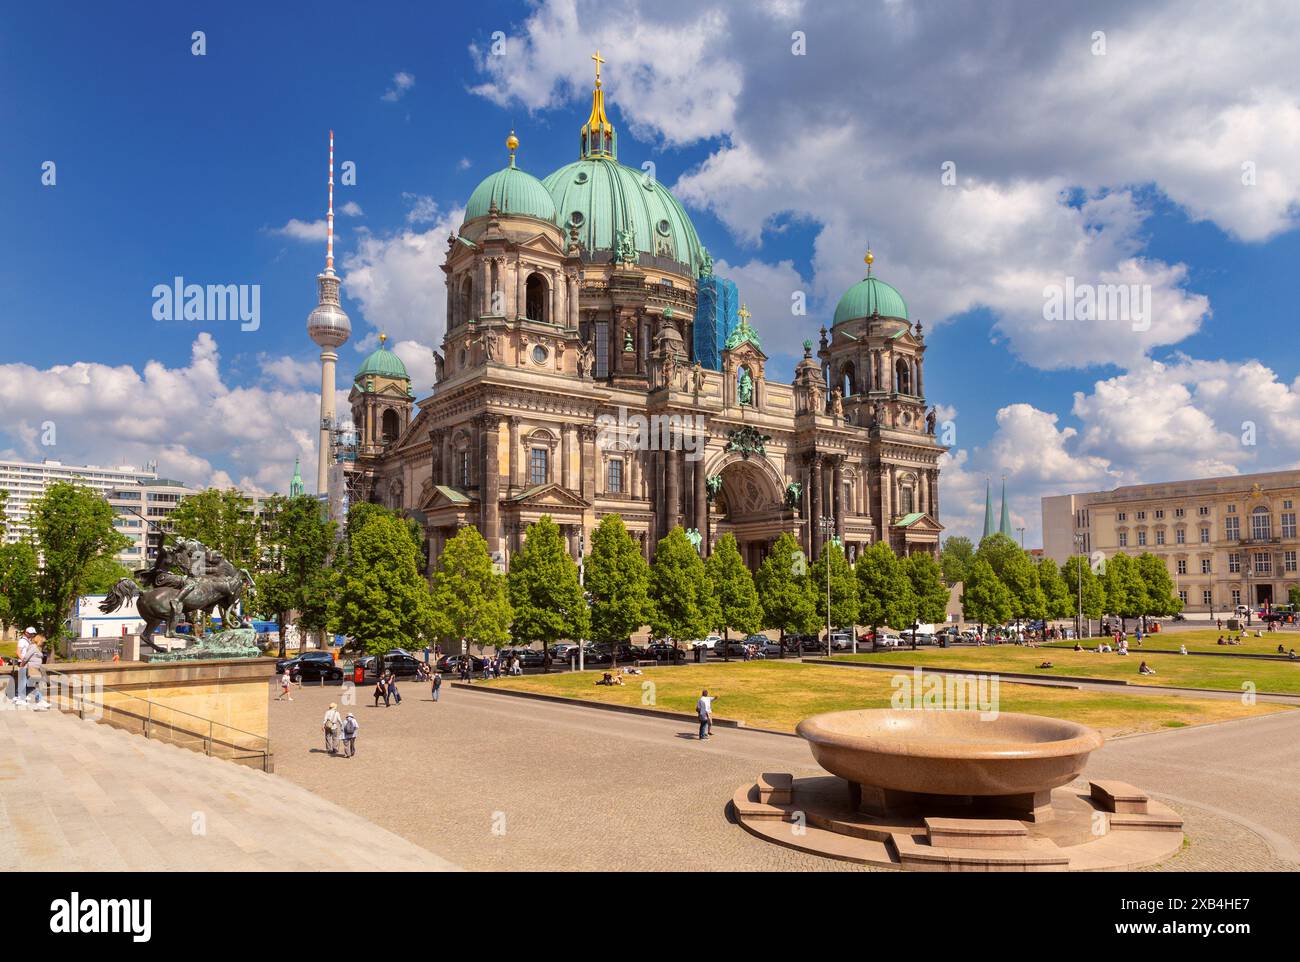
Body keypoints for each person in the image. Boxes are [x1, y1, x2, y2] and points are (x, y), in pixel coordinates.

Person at [19, 636, 50, 709]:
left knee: (34, 685)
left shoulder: (37, 647)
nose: (43, 643)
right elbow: (26, 657)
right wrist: (22, 664)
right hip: (32, 668)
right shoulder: (33, 647)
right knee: (36, 684)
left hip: (36, 668)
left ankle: (23, 698)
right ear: (38, 640)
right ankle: (38, 700)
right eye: (42, 641)